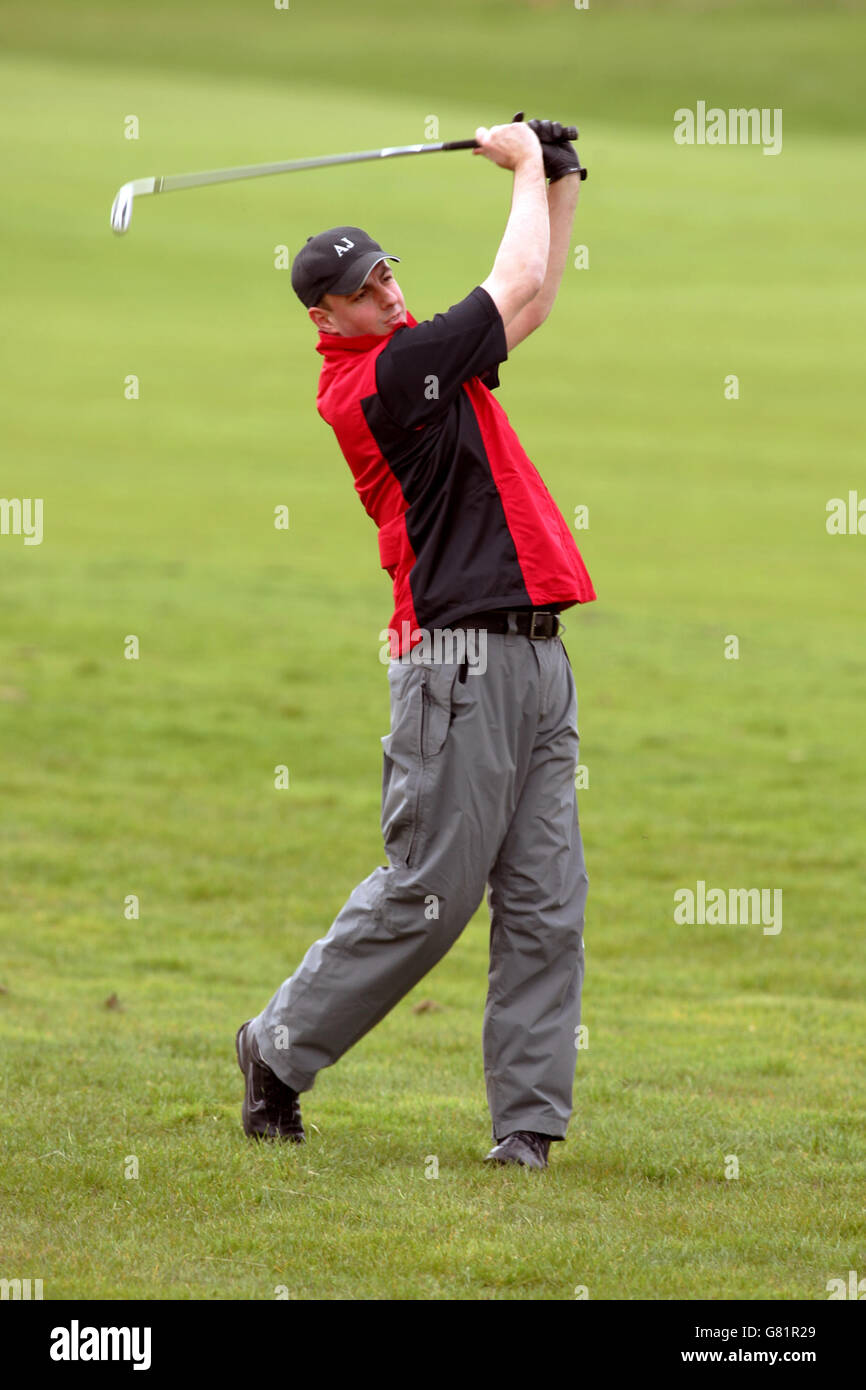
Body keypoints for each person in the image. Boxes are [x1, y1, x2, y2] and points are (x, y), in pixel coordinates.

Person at [236, 118, 596, 1170]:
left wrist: (559, 178)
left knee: (546, 901)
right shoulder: (383, 384)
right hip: (454, 666)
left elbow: (530, 294)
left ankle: (524, 1132)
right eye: (364, 288)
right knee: (427, 896)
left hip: (534, 656)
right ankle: (275, 1047)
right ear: (325, 315)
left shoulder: (424, 359)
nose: (388, 293)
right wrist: (522, 166)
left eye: (389, 273)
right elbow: (510, 276)